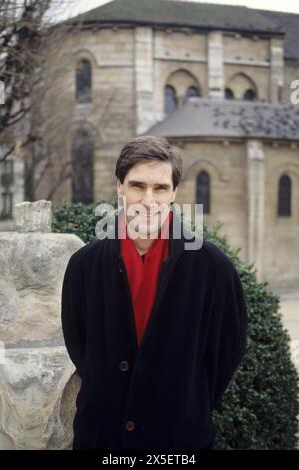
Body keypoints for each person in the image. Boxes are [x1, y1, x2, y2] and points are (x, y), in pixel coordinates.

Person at [61, 135, 248, 451]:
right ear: (120, 187)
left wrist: (186, 401)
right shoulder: (84, 264)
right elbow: (79, 345)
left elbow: (226, 351)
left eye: (160, 188)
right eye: (137, 186)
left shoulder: (213, 267)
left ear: (174, 192)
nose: (149, 200)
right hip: (102, 436)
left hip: (178, 438)